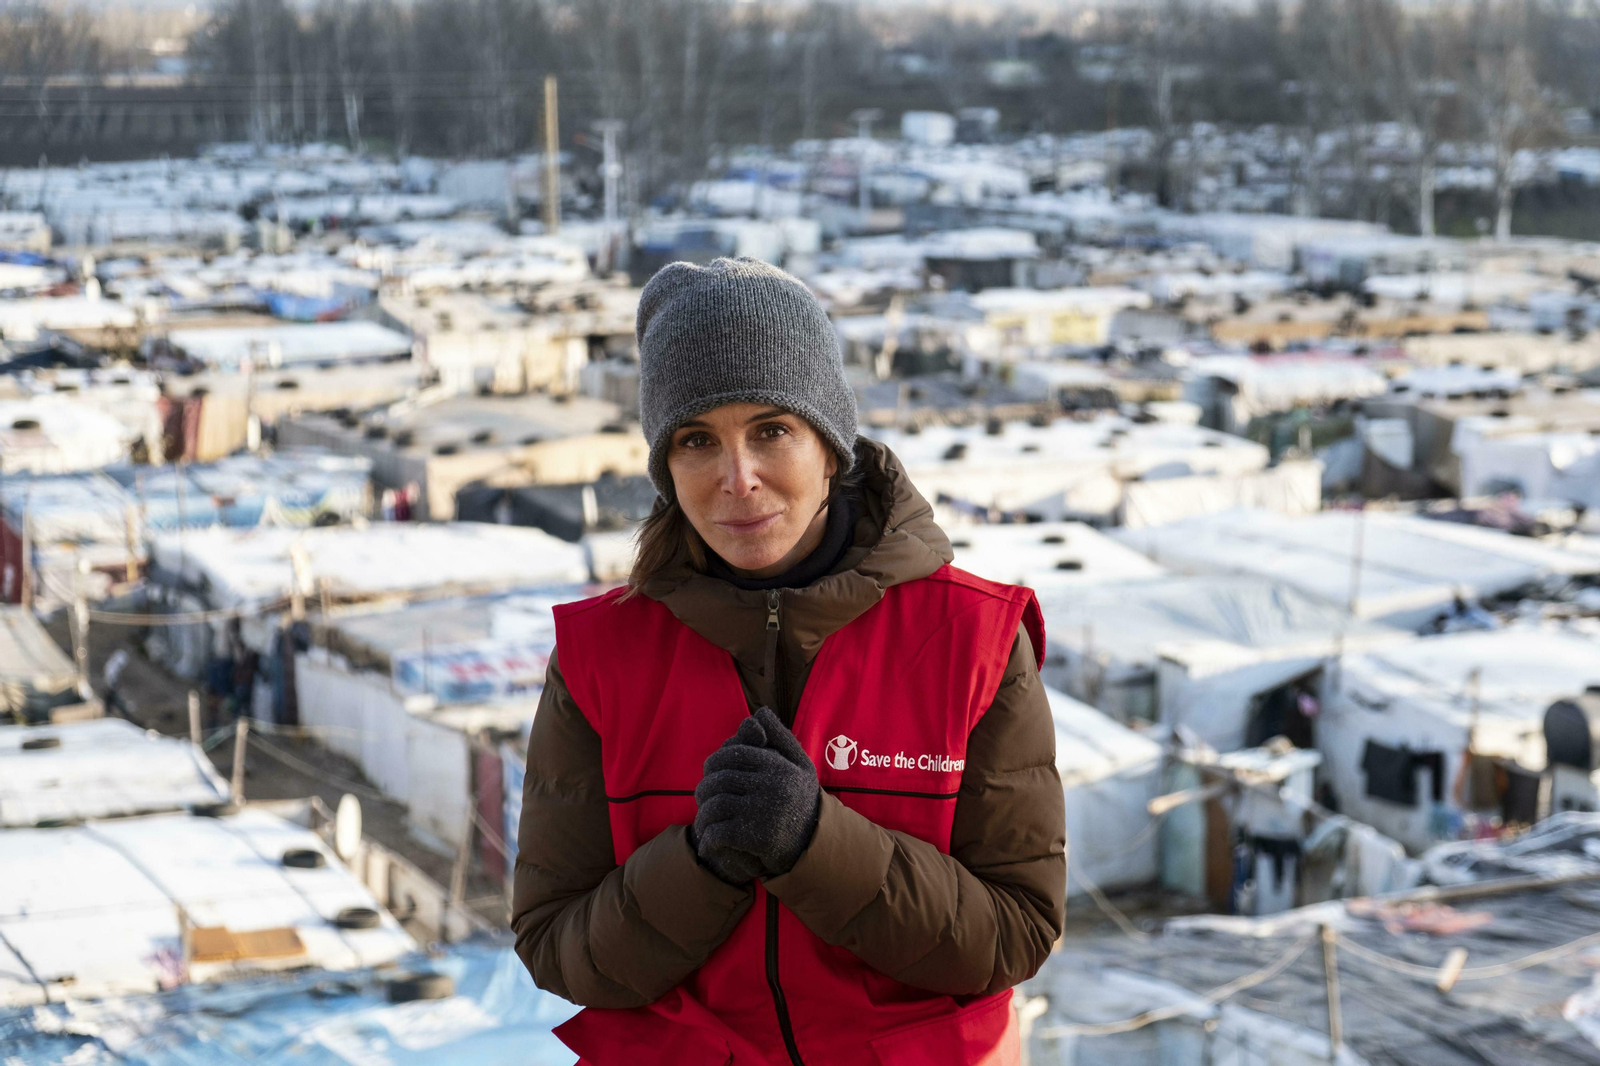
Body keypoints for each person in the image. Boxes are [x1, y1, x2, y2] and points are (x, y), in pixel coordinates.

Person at [512, 257, 1066, 1066]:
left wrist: (817, 846)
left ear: (831, 446)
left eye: (771, 429)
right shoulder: (602, 656)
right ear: (665, 469)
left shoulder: (972, 639)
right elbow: (554, 945)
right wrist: (700, 864)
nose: (738, 479)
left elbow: (1015, 933)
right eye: (697, 441)